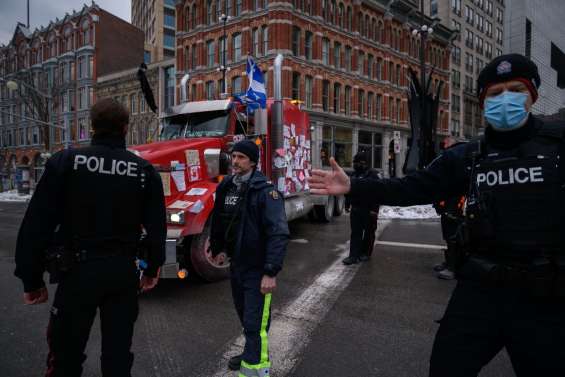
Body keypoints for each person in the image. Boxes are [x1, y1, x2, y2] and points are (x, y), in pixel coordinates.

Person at [309, 53, 565, 376]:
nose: (505, 99)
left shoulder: (557, 145)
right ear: (483, 101)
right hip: (480, 292)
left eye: (515, 89)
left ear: (533, 95)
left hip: (544, 298)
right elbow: (408, 189)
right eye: (495, 93)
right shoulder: (468, 156)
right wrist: (353, 186)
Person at [14, 98, 166, 377]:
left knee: (64, 358)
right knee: (118, 357)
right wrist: (153, 267)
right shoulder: (143, 170)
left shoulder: (66, 162)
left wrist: (31, 278)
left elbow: (37, 224)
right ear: (124, 127)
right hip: (122, 274)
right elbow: (157, 228)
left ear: (92, 126)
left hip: (76, 273)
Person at [209, 139, 289, 377]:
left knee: (256, 324)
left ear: (253, 161)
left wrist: (270, 271)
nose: (235, 161)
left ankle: (256, 370)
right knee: (245, 316)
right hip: (238, 265)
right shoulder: (227, 187)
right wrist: (219, 247)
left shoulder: (265, 191)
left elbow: (278, 232)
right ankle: (249, 354)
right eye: (233, 156)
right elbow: (221, 220)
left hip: (258, 268)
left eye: (241, 157)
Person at [343, 152, 381, 265]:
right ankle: (353, 255)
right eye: (354, 162)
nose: (355, 165)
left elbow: (378, 194)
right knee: (355, 233)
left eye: (357, 162)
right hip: (356, 209)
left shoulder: (373, 175)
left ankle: (365, 253)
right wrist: (347, 203)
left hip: (369, 210)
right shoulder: (353, 175)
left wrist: (374, 210)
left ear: (364, 163)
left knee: (369, 233)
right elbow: (349, 191)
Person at [433, 194, 465, 280]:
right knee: (448, 237)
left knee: (453, 238)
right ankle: (449, 263)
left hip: (455, 208)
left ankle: (453, 268)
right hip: (446, 206)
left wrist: (453, 211)